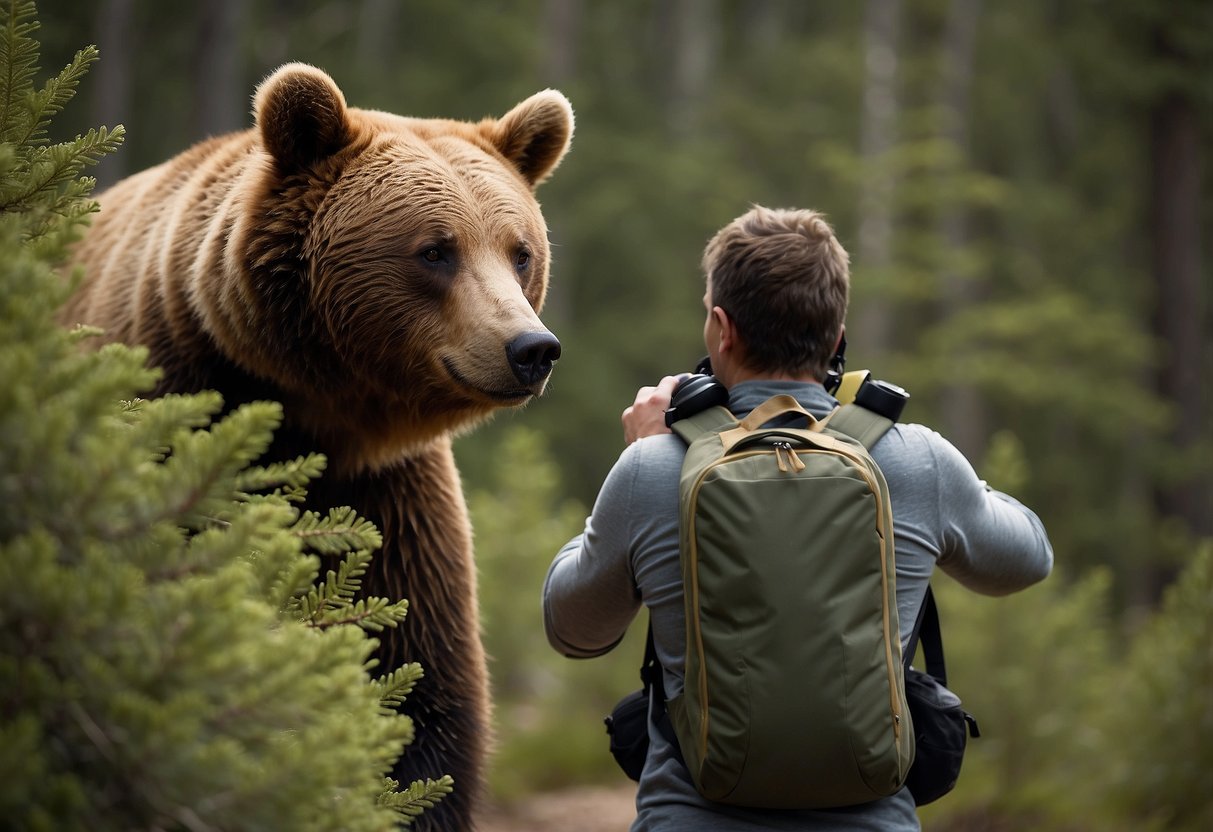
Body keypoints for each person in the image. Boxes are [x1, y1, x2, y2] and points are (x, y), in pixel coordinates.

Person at [543, 205, 1053, 830]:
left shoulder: (653, 468)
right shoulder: (917, 461)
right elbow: (1028, 558)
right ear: (838, 338)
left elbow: (574, 631)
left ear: (720, 329)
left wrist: (638, 459)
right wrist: (949, 481)